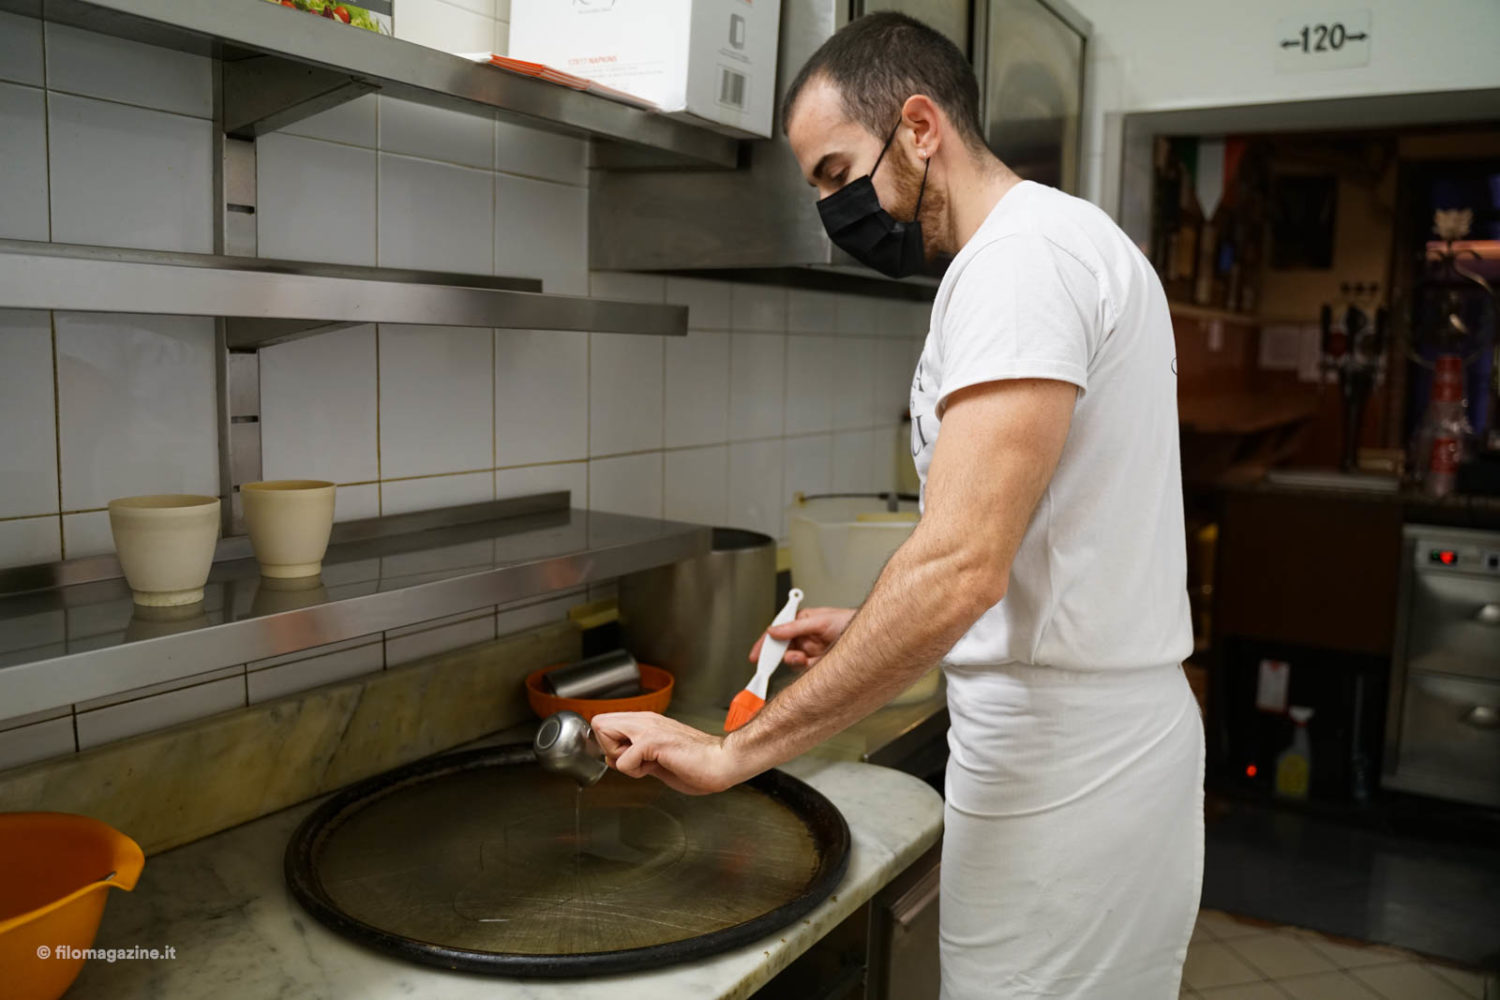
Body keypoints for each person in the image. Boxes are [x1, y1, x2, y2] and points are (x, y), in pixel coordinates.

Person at [592, 12, 1202, 999]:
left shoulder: (1020, 263)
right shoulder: (1052, 245)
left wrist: (733, 750)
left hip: (1068, 771)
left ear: (919, 127)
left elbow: (960, 567)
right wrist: (875, 627)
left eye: (837, 173)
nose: (835, 211)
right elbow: (1029, 546)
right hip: (1075, 748)